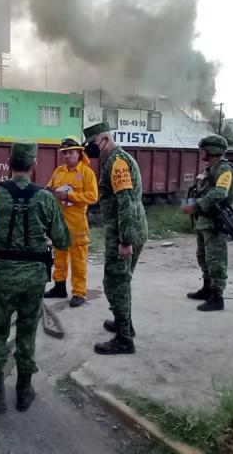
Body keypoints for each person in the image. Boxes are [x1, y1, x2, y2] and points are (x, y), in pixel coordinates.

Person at [0, 141, 71, 417]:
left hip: (2, 277)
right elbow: (64, 240)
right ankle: (24, 393)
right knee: (26, 335)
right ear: (33, 165)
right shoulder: (46, 198)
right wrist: (46, 241)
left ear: (10, 162)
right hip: (34, 280)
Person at [83, 122, 148, 355]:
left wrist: (126, 241)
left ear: (104, 140)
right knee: (120, 280)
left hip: (125, 233)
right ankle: (125, 324)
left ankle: (124, 339)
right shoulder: (113, 160)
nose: (89, 149)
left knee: (116, 282)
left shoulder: (118, 162)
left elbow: (126, 202)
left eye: (91, 144)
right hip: (125, 230)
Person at [181, 135, 233, 312]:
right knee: (203, 257)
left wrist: (196, 205)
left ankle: (217, 297)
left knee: (216, 260)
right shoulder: (210, 169)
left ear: (212, 150)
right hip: (204, 221)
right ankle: (207, 288)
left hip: (215, 222)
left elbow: (221, 192)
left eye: (203, 149)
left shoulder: (224, 169)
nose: (201, 152)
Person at [44, 136, 98, 307]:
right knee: (59, 256)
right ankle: (59, 287)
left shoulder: (86, 173)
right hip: (59, 223)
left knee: (78, 259)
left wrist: (69, 195)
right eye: (64, 153)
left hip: (77, 224)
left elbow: (93, 196)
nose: (67, 156)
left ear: (79, 153)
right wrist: (49, 191)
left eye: (70, 152)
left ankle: (79, 293)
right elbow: (50, 187)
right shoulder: (59, 171)